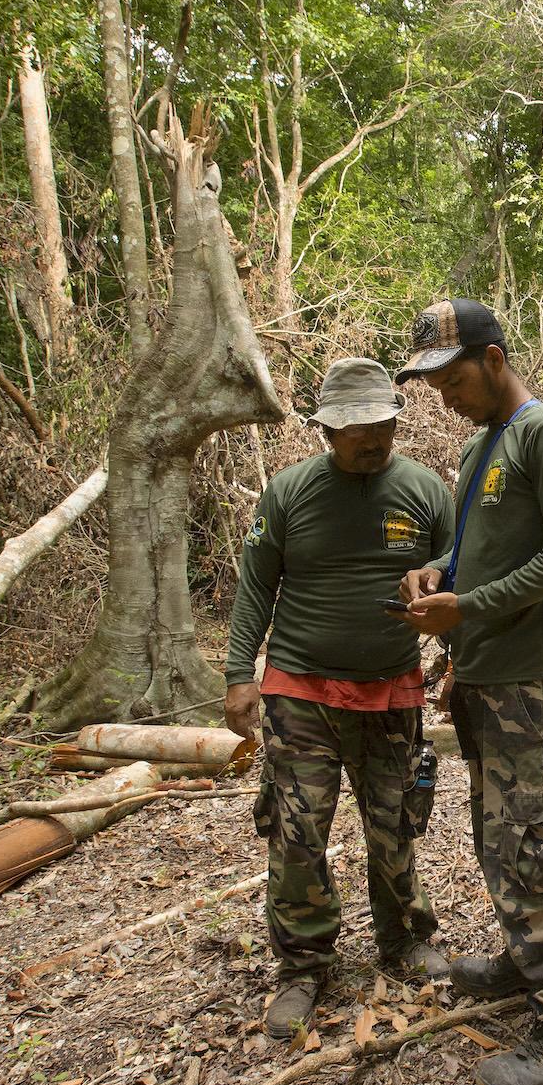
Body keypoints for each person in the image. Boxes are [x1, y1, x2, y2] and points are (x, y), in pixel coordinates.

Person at [393, 297, 543, 1085]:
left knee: (542, 846)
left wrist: (469, 607)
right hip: (484, 679)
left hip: (528, 682)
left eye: (452, 380)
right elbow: (476, 549)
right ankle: (527, 959)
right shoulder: (482, 445)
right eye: (434, 386)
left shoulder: (542, 432)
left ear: (493, 359)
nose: (445, 397)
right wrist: (438, 572)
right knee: (503, 840)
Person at [224, 357, 454, 1042]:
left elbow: (458, 577)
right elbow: (256, 584)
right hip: (301, 690)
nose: (372, 440)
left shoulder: (425, 491)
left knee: (395, 823)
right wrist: (239, 673)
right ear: (326, 430)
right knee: (298, 831)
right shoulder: (289, 493)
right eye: (356, 430)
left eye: (382, 425)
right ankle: (303, 964)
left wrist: (456, 660)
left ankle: (404, 937)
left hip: (392, 689)